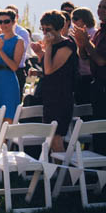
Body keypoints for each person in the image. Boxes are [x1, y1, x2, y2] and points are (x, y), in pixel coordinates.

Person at [31, 11, 76, 152]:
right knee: (50, 137)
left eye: (48, 29)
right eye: (42, 29)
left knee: (56, 137)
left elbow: (50, 70)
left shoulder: (67, 45)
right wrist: (39, 53)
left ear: (58, 28)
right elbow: (47, 71)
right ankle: (56, 171)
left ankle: (63, 173)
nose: (45, 33)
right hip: (49, 95)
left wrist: (48, 46)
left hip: (61, 97)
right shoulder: (53, 45)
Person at [72, 0, 106, 154]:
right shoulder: (99, 32)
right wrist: (81, 44)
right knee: (97, 128)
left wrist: (86, 42)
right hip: (97, 85)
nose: (100, 10)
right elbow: (85, 56)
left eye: (104, 7)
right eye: (99, 7)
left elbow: (100, 61)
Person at [0, 9, 24, 123]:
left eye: (6, 21)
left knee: (8, 118)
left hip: (8, 80)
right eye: (0, 22)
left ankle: (5, 141)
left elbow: (14, 67)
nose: (3, 25)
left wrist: (1, 51)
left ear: (13, 22)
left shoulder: (18, 41)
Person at [71, 7, 97, 104]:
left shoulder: (93, 33)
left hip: (90, 74)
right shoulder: (76, 33)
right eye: (72, 19)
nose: (73, 21)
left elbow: (87, 55)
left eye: (76, 18)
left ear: (85, 19)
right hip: (80, 74)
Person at [5, 5, 31, 99]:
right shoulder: (1, 31)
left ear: (17, 17)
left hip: (17, 70)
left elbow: (21, 51)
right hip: (3, 71)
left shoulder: (22, 32)